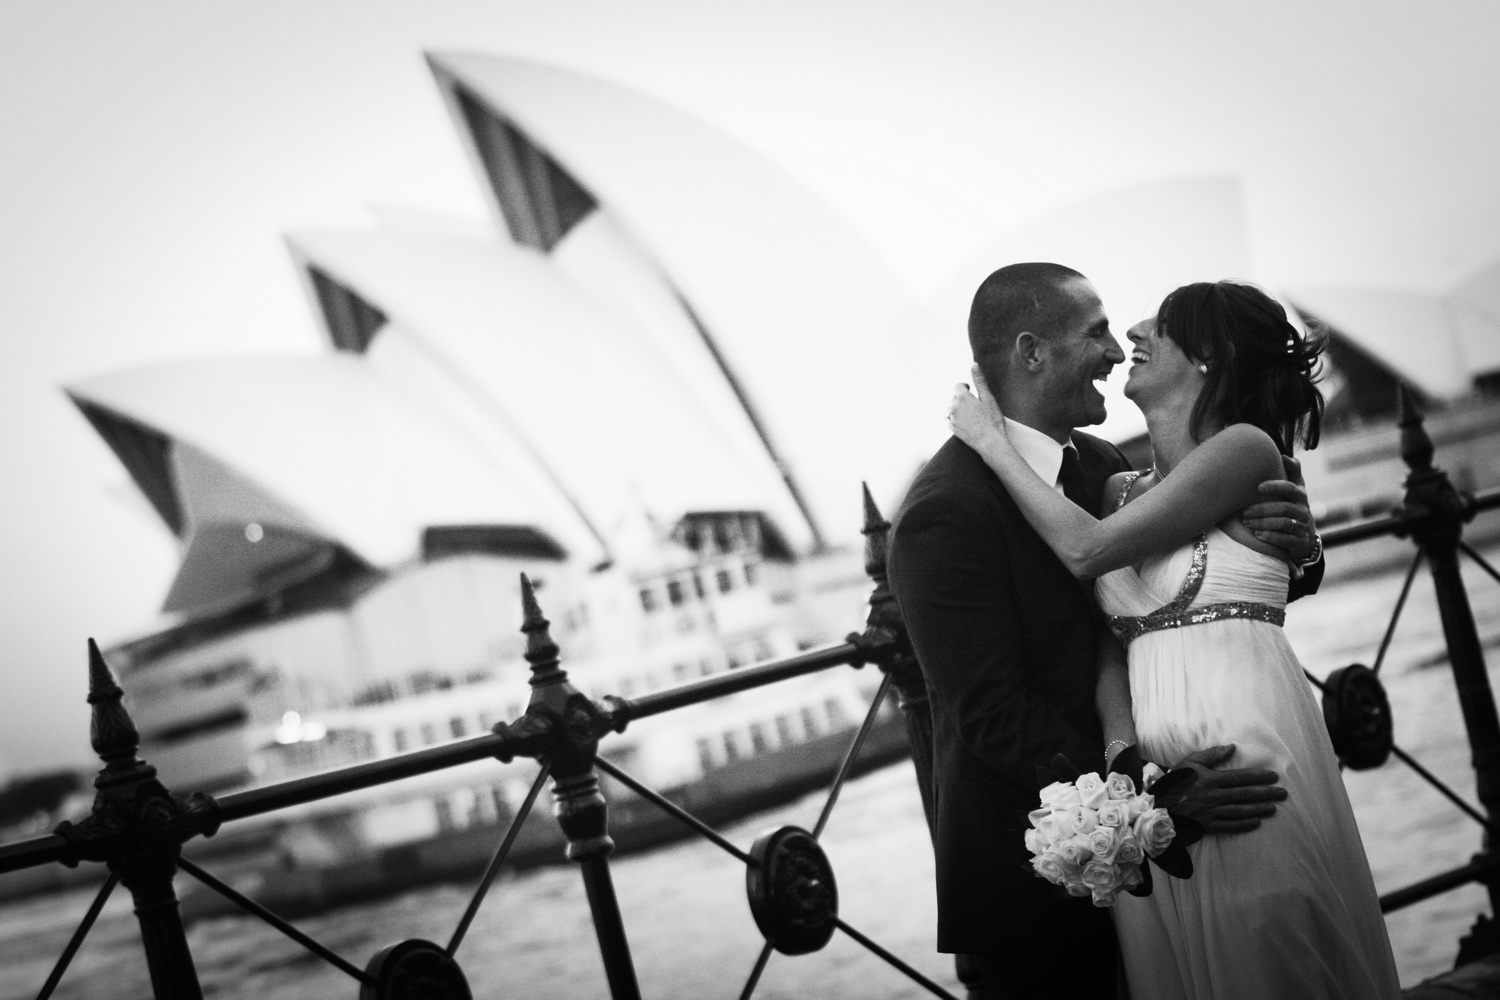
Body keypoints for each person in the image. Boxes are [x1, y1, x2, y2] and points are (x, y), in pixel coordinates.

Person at [946, 278, 1399, 998]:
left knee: (1272, 939)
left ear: (1212, 356)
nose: (1129, 334)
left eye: (1160, 324)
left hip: (1243, 749)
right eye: (1100, 329)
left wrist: (991, 442)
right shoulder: (1110, 485)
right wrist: (1133, 777)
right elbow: (1109, 645)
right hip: (1157, 795)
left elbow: (1090, 553)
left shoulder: (1244, 450)